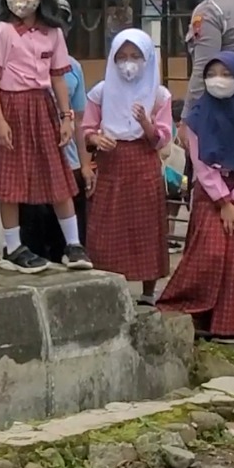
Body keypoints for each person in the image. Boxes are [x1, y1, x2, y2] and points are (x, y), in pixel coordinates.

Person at [0, 0, 92, 274]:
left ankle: (74, 245)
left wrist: (66, 118)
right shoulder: (0, 31)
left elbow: (58, 78)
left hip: (42, 109)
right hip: (10, 107)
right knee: (9, 180)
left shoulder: (52, 34)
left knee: (57, 176)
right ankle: (12, 247)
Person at [158, 53, 234, 344]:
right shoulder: (198, 119)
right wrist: (223, 202)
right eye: (213, 74)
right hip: (212, 193)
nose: (218, 80)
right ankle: (198, 314)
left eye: (226, 74)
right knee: (209, 251)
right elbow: (201, 164)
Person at [82, 29, 173, 304]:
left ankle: (148, 291)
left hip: (143, 163)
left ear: (147, 58)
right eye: (121, 57)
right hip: (112, 163)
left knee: (146, 226)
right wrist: (96, 138)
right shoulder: (101, 91)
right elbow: (86, 128)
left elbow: (162, 137)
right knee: (107, 225)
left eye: (135, 56)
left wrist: (147, 125)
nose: (128, 62)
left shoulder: (159, 95)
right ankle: (106, 286)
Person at [21, 0, 90, 264]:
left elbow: (80, 120)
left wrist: (84, 165)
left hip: (68, 161)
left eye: (60, 24)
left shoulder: (74, 69)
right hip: (33, 162)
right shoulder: (22, 64)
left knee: (69, 243)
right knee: (35, 240)